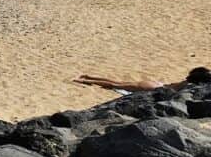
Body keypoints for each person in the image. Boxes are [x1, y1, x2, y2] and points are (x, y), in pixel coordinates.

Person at [74, 66, 211, 93]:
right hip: (156, 88)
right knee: (115, 85)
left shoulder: (187, 81)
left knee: (117, 82)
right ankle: (84, 81)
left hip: (157, 83)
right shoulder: (190, 87)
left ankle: (88, 77)